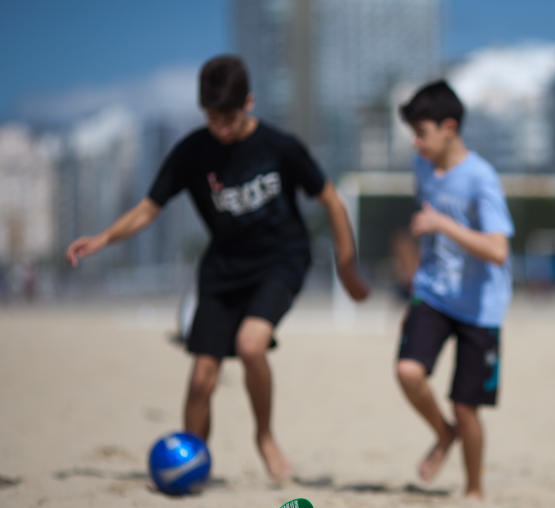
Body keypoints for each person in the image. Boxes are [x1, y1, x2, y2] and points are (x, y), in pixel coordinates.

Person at [65, 55, 369, 482]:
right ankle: (193, 463)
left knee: (250, 346)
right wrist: (102, 238)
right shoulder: (193, 152)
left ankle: (264, 436)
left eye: (228, 117)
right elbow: (148, 209)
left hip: (280, 261)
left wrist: (348, 265)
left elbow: (333, 201)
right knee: (201, 380)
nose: (221, 128)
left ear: (249, 102)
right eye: (211, 118)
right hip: (222, 268)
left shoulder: (280, 147)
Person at [393, 80, 514, 500]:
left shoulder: (482, 178)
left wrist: (444, 225)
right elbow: (426, 221)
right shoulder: (422, 166)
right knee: (408, 372)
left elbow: (498, 250)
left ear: (449, 127)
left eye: (421, 132)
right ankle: (442, 433)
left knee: (467, 408)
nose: (416, 142)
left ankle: (474, 488)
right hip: (434, 294)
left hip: (481, 308)